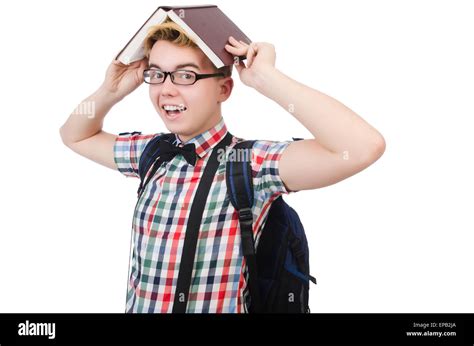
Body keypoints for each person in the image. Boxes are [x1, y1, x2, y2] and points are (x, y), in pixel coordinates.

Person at [59, 20, 386, 313]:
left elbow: (360, 147)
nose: (166, 89)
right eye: (157, 74)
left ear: (224, 88)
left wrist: (267, 79)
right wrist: (108, 92)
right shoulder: (151, 153)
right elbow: (75, 136)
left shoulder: (251, 163)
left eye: (186, 75)